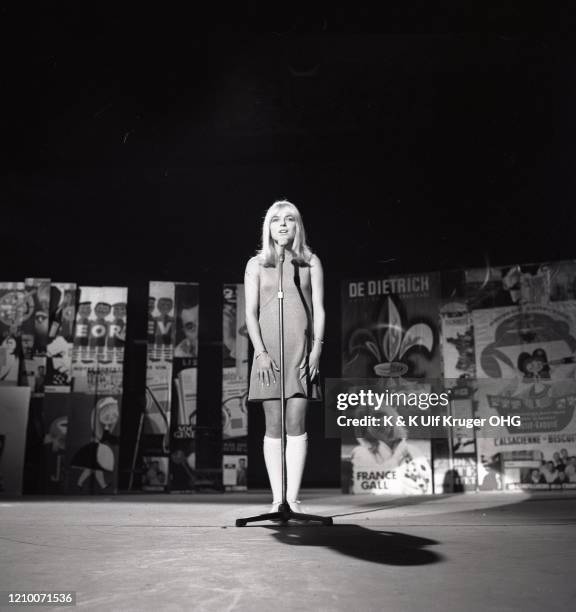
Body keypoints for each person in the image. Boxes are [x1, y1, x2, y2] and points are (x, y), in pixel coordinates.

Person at [245, 200, 324, 513]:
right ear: (269, 227)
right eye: (276, 219)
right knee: (274, 424)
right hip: (269, 353)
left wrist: (317, 348)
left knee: (296, 420)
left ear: (297, 226)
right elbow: (250, 313)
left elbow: (318, 309)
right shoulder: (256, 264)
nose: (282, 224)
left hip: (301, 351)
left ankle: (293, 499)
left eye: (289, 219)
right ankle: (277, 500)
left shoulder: (310, 261)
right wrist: (260, 353)